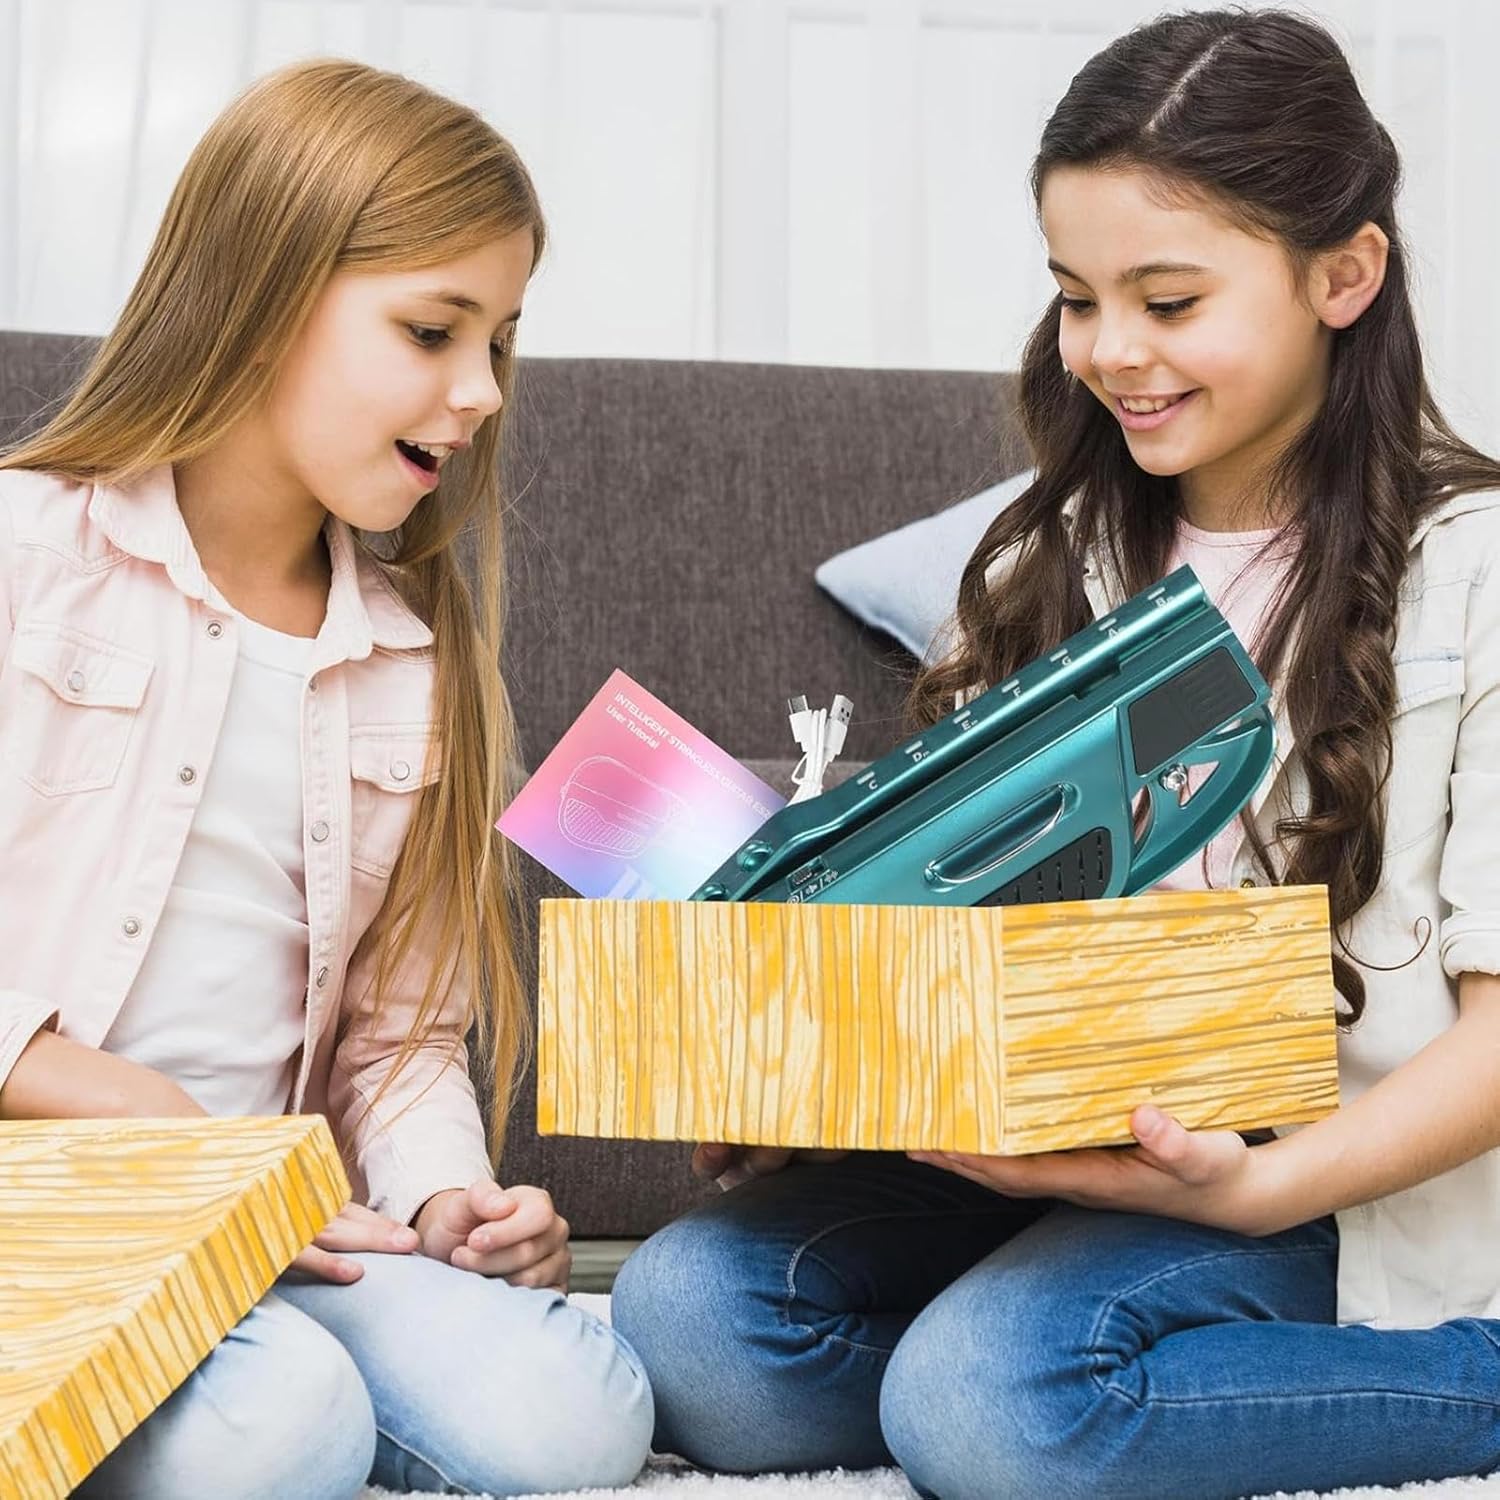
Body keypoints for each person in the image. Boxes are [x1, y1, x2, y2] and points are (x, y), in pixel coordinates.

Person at [612, 11, 1500, 1497]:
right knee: (692, 1326)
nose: (1112, 353)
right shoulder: (1059, 554)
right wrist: (813, 1074)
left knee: (992, 1402)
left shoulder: (1474, 568)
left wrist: (1255, 1190)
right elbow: (972, 924)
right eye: (1078, 299)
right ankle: (1060, 1366)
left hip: (1333, 1184)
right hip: (1064, 1156)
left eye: (1170, 300)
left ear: (1344, 275)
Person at [0, 59, 652, 1500]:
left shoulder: (411, 661)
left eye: (500, 342)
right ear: (263, 290)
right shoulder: (25, 559)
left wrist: (446, 1200)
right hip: (39, 1202)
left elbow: (396, 1039)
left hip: (274, 1225)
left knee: (573, 1418)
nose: (480, 393)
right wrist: (135, 1113)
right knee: (288, 1430)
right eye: (432, 330)